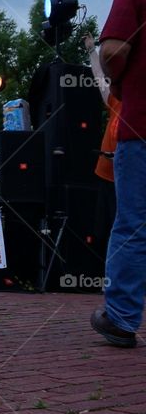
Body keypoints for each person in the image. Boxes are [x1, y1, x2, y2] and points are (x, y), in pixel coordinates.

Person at [91, 0, 146, 348]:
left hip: (141, 128)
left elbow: (113, 51)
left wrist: (121, 84)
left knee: (133, 224)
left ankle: (122, 319)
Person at [85, 33, 120, 266]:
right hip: (106, 173)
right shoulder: (117, 100)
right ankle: (110, 276)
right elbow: (99, 78)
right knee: (105, 228)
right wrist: (91, 51)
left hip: (130, 176)